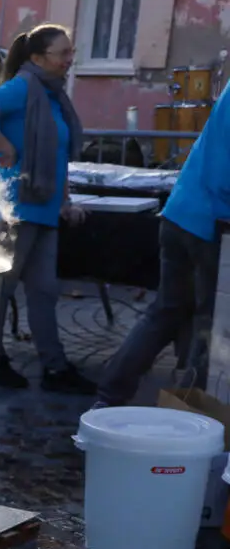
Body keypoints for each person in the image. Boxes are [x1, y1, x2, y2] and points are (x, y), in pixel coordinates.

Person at [0, 23, 96, 395]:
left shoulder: (54, 96)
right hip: (13, 205)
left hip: (42, 207)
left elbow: (58, 157)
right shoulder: (23, 87)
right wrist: (3, 147)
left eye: (70, 53)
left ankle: (54, 369)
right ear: (37, 58)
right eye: (63, 53)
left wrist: (65, 200)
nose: (69, 60)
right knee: (2, 292)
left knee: (44, 291)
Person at [92, 92, 230, 408]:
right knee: (213, 327)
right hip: (212, 225)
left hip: (180, 212)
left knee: (165, 312)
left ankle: (108, 397)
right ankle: (190, 416)